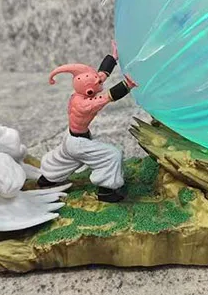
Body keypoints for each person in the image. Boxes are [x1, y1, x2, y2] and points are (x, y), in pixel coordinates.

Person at [37, 42, 138, 202]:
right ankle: (106, 192)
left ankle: (47, 179)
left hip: (71, 138)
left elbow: (100, 75)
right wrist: (127, 85)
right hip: (78, 143)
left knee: (66, 158)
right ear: (89, 90)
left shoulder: (80, 93)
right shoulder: (84, 105)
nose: (101, 81)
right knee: (112, 155)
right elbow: (108, 96)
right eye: (97, 83)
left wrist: (113, 57)